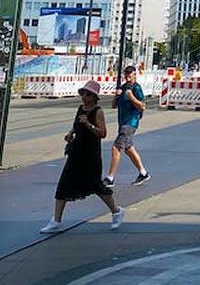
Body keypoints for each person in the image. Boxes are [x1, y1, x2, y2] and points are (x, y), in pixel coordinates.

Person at [40, 80, 123, 233]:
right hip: (76, 152)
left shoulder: (98, 111)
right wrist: (71, 133)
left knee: (95, 186)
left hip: (90, 155)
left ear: (94, 97)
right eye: (83, 94)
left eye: (87, 94)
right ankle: (56, 220)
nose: (84, 97)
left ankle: (116, 211)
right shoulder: (80, 108)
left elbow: (103, 133)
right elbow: (76, 124)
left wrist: (88, 124)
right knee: (63, 185)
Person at [103, 64, 149, 189]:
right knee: (128, 148)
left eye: (130, 77)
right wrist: (116, 96)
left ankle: (110, 178)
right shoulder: (123, 88)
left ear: (135, 75)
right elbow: (113, 106)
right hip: (122, 122)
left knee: (116, 148)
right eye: (126, 77)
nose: (128, 79)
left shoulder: (137, 88)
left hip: (131, 122)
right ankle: (143, 173)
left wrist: (132, 97)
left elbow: (142, 106)